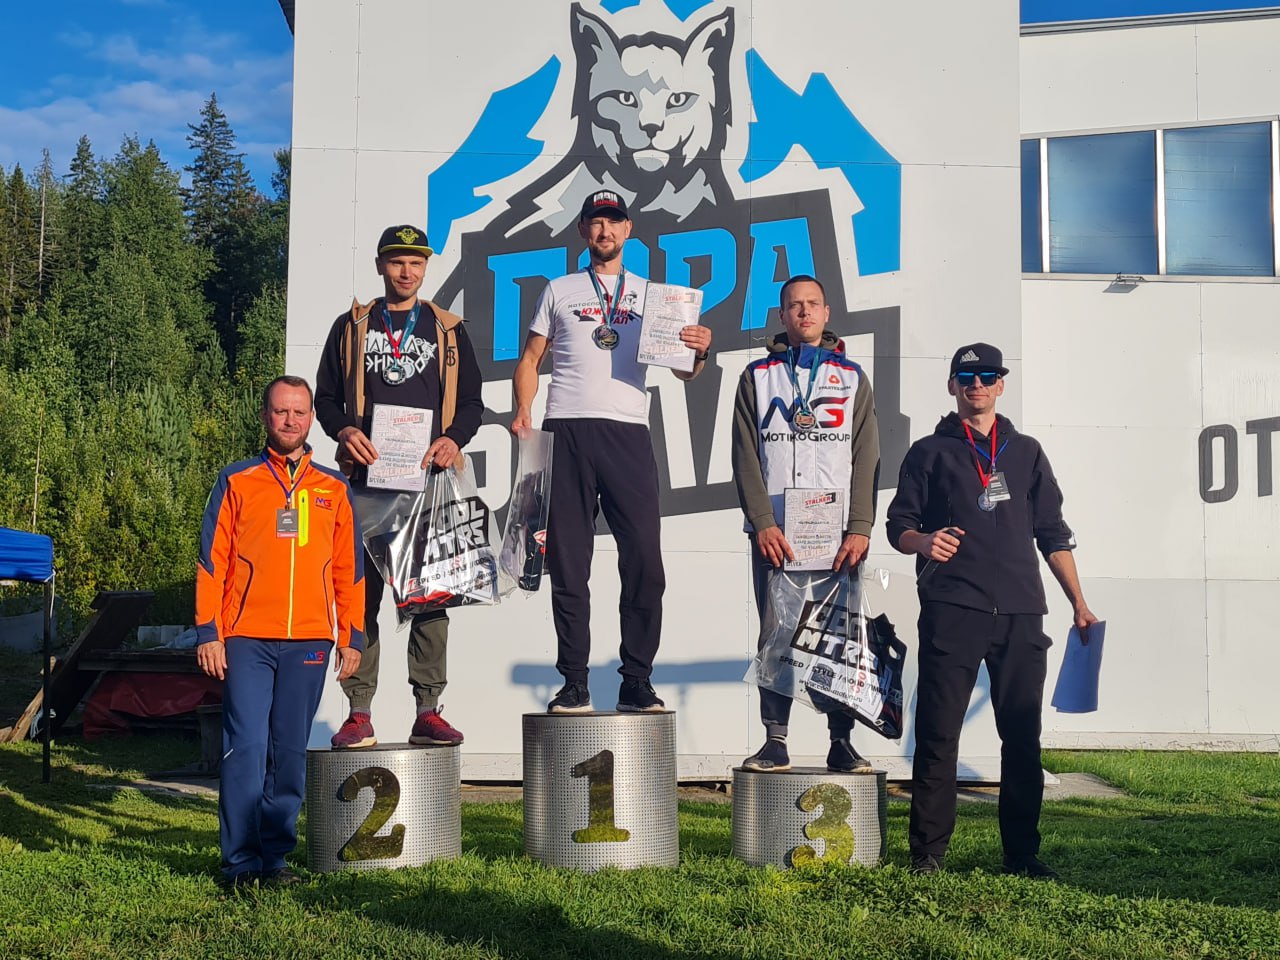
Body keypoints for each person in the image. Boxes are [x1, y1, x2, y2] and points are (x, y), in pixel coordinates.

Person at [885, 342, 1098, 878]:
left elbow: (1052, 533)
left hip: (1022, 612)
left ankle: (1022, 854)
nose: (976, 384)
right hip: (953, 608)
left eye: (986, 376)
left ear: (1001, 384)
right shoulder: (929, 452)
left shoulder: (1026, 452)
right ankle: (928, 855)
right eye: (966, 377)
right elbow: (898, 526)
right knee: (939, 734)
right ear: (952, 386)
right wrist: (923, 541)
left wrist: (1078, 602)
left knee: (1022, 738)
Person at [511, 190, 713, 713]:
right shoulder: (559, 289)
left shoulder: (653, 295)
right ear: (583, 230)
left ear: (628, 231)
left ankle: (636, 680)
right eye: (596, 222)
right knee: (569, 563)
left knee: (645, 560)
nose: (605, 231)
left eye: (614, 222)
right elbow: (530, 359)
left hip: (627, 433)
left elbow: (685, 372)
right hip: (567, 430)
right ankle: (574, 681)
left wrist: (698, 351)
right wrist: (523, 410)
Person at [315, 224, 484, 748]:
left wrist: (453, 439)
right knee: (359, 598)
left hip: (429, 482)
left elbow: (472, 402)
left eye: (416, 262)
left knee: (430, 599)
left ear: (426, 267)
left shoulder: (447, 329)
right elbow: (325, 398)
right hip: (366, 482)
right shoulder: (352, 326)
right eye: (396, 262)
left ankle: (428, 711)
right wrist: (344, 431)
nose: (406, 271)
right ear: (380, 266)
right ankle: (358, 711)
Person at [196, 375, 365, 890]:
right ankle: (240, 862)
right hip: (245, 637)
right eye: (280, 411)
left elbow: (349, 569)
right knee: (246, 746)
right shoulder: (236, 480)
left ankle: (274, 859)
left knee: (289, 751)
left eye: (298, 412)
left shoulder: (333, 488)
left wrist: (351, 636)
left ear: (311, 418)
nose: (290, 420)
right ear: (265, 415)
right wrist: (208, 631)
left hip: (309, 641)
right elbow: (211, 560)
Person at [730, 274, 880, 772]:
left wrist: (860, 526)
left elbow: (867, 454)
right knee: (778, 633)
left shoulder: (852, 376)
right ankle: (775, 740)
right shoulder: (758, 375)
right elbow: (745, 455)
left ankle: (841, 741)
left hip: (837, 536)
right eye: (794, 305)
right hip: (777, 534)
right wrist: (762, 521)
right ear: (782, 315)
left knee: (840, 636)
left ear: (827, 312)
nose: (804, 312)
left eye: (813, 303)